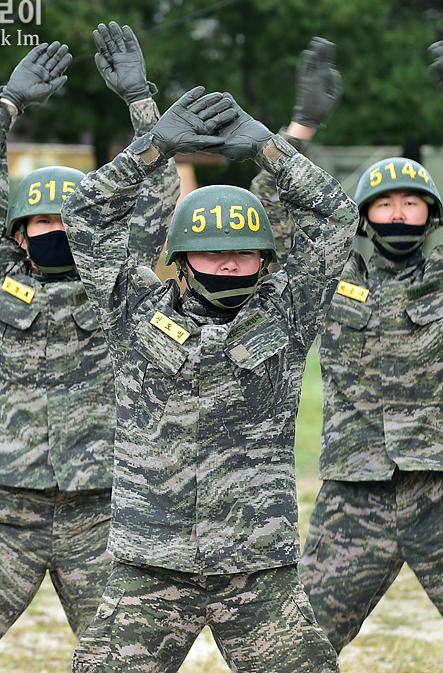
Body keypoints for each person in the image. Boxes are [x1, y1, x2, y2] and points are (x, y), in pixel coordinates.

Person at [254, 39, 443, 672]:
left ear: (430, 215)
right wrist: (301, 126)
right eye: (384, 204)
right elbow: (263, 214)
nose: (398, 213)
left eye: (410, 202)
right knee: (295, 651)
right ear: (365, 219)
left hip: (442, 494)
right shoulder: (328, 269)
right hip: (354, 496)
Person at [0, 25, 180, 673]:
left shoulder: (118, 279)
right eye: (41, 221)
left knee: (123, 665)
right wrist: (6, 106)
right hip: (7, 512)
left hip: (101, 515)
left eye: (68, 218)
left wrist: (141, 99)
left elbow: (160, 194)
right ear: (20, 234)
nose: (55, 230)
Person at [63, 84, 358, 673]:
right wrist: (153, 146)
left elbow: (337, 219)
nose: (230, 263)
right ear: (180, 259)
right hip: (148, 565)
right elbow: (85, 215)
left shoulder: (289, 313)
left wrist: (271, 150)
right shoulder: (133, 309)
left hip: (258, 572)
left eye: (246, 253)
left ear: (266, 261)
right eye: (213, 253)